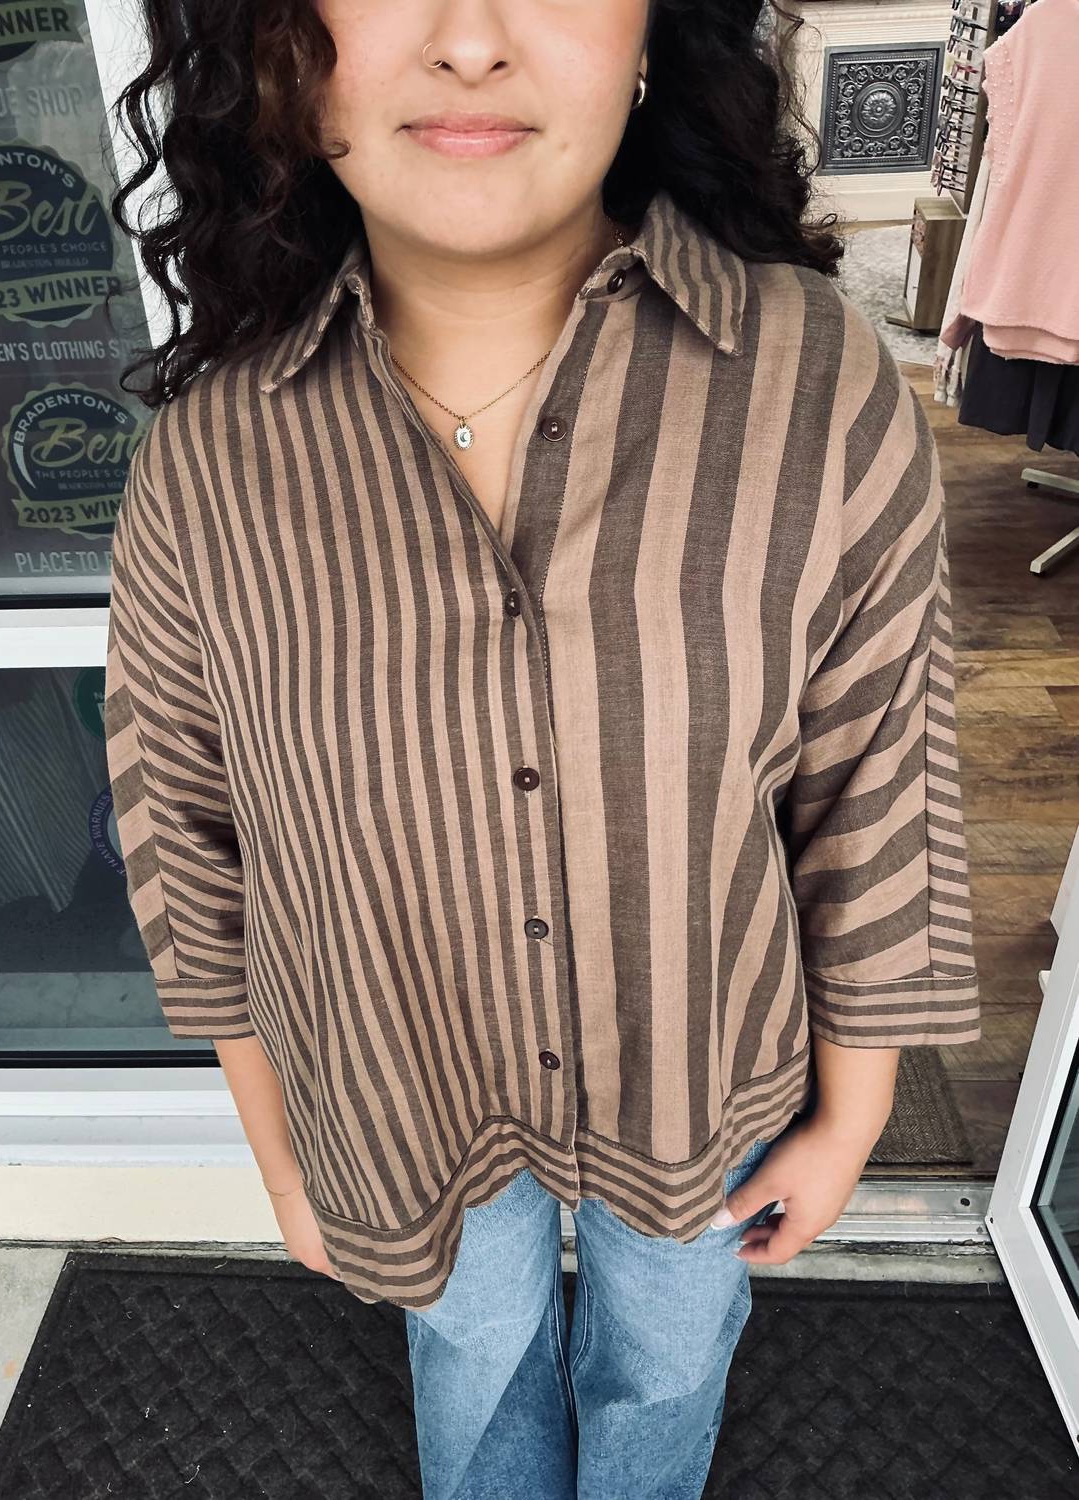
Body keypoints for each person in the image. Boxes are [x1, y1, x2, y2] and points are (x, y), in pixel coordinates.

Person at [103, 1, 981, 1496]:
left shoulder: (806, 378)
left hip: (698, 1065)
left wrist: (858, 1107)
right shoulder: (210, 460)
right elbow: (185, 833)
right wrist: (282, 1150)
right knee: (474, 1351)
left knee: (669, 1353)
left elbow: (878, 770)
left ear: (652, 37)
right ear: (281, 52)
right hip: (397, 1079)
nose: (469, 41)